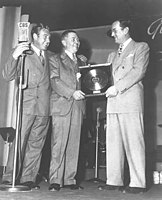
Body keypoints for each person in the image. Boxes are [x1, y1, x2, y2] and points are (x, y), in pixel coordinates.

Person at [98, 19, 150, 194]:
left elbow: (138, 71)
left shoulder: (140, 47)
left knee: (134, 143)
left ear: (126, 29)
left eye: (115, 31)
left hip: (130, 101)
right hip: (113, 103)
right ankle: (114, 180)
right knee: (113, 143)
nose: (112, 34)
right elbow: (105, 77)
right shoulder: (112, 56)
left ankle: (138, 183)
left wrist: (117, 88)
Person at [2, 23, 51, 190]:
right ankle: (9, 177)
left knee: (36, 144)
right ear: (35, 37)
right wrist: (15, 55)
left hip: (44, 108)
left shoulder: (49, 57)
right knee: (20, 143)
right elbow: (7, 75)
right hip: (27, 105)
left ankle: (28, 178)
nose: (48, 40)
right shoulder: (23, 53)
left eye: (49, 37)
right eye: (45, 37)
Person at [48, 30, 86, 191]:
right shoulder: (55, 59)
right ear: (64, 42)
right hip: (62, 105)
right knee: (59, 144)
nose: (76, 42)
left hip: (78, 107)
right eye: (73, 39)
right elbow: (54, 81)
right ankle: (55, 180)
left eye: (77, 40)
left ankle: (70, 179)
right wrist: (72, 92)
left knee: (74, 144)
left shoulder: (82, 61)